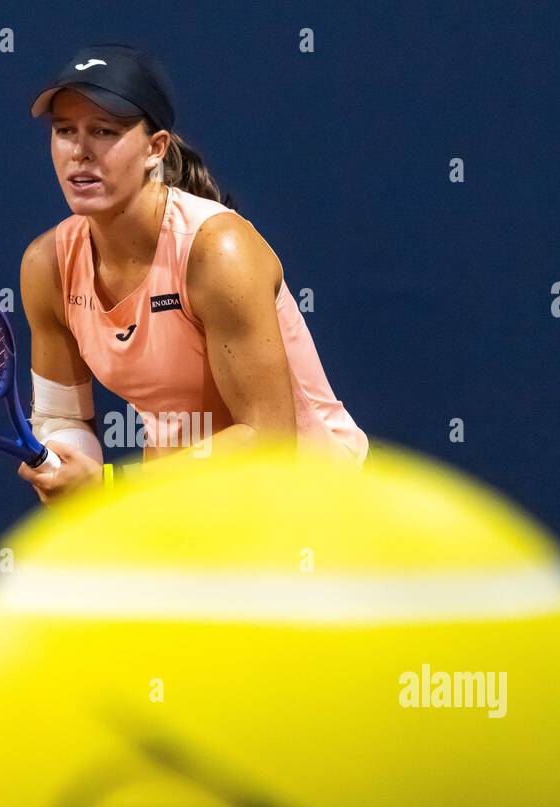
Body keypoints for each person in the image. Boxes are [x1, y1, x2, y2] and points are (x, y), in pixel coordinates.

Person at [18, 44, 368, 503]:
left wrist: (112, 484)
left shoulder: (218, 251)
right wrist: (67, 467)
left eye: (104, 131)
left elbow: (268, 440)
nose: (80, 151)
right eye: (65, 131)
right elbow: (62, 419)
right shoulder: (48, 265)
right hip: (185, 507)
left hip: (312, 505)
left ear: (155, 149)